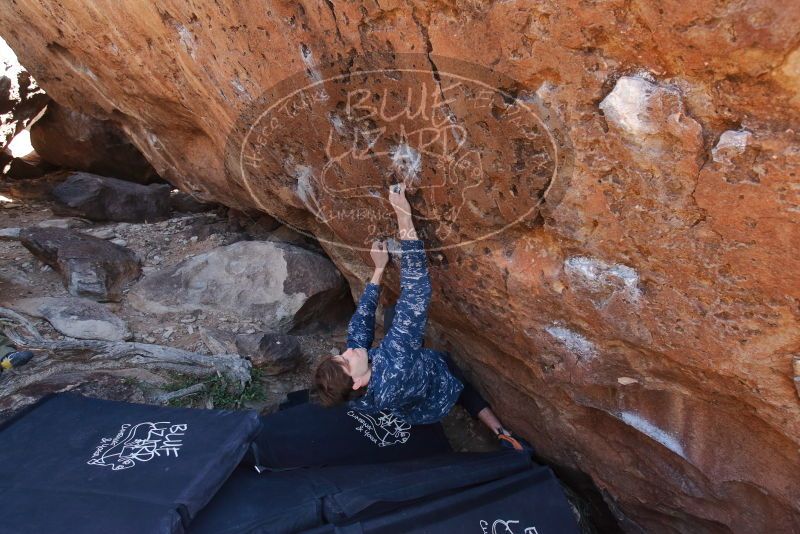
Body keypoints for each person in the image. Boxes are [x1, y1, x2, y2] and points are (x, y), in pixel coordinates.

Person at [312, 182, 529, 451]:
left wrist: (378, 272)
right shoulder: (396, 360)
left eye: (341, 355)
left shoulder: (356, 396)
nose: (349, 352)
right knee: (453, 375)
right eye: (346, 360)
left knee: (393, 318)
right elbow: (416, 290)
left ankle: (498, 431)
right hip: (439, 386)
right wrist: (404, 216)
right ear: (356, 381)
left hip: (415, 411)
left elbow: (360, 328)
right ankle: (500, 430)